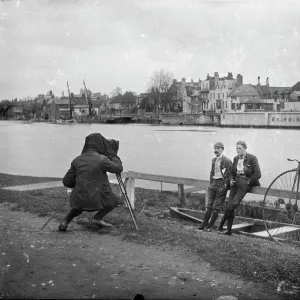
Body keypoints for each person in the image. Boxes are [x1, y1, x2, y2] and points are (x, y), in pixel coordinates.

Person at [58, 133, 123, 232]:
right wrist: (114, 156)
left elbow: (66, 181)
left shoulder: (77, 160)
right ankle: (97, 219)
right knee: (115, 200)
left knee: (79, 204)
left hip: (80, 197)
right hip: (97, 198)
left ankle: (65, 222)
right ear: (100, 145)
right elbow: (118, 168)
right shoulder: (102, 159)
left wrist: (79, 185)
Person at [218, 141, 261, 235]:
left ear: (245, 148)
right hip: (235, 184)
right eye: (236, 148)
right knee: (230, 206)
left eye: (240, 148)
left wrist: (248, 182)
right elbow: (232, 172)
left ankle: (220, 226)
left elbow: (258, 174)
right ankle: (228, 230)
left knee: (232, 205)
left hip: (245, 184)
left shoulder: (252, 158)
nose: (238, 150)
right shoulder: (236, 158)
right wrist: (231, 179)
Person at [197, 142, 232, 231]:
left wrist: (224, 185)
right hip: (213, 184)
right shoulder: (213, 160)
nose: (216, 150)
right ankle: (204, 223)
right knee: (209, 206)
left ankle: (210, 226)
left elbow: (230, 175)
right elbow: (212, 172)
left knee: (216, 207)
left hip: (221, 184)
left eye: (218, 148)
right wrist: (211, 183)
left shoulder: (227, 161)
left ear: (222, 149)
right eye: (215, 148)